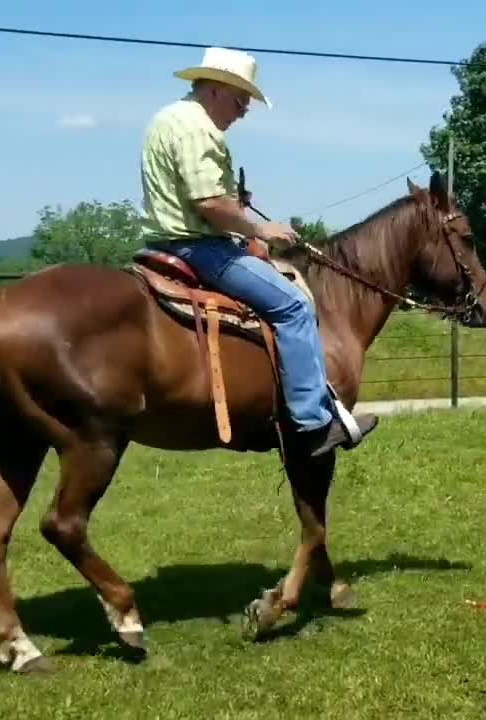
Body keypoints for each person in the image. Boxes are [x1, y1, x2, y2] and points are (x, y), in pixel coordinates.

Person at [138, 46, 378, 458]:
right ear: (214, 89)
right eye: (241, 98)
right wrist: (262, 228)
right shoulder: (198, 129)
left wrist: (238, 206)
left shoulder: (166, 118)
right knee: (294, 306)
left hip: (164, 242)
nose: (245, 109)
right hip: (200, 248)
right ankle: (311, 423)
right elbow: (211, 204)